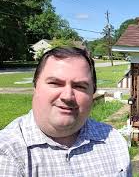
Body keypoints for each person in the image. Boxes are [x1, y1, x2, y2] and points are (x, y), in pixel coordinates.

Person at [0, 47, 132, 176]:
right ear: (35, 87)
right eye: (55, 83)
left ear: (92, 93)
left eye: (79, 86)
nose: (67, 96)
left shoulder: (114, 142)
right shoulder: (7, 153)